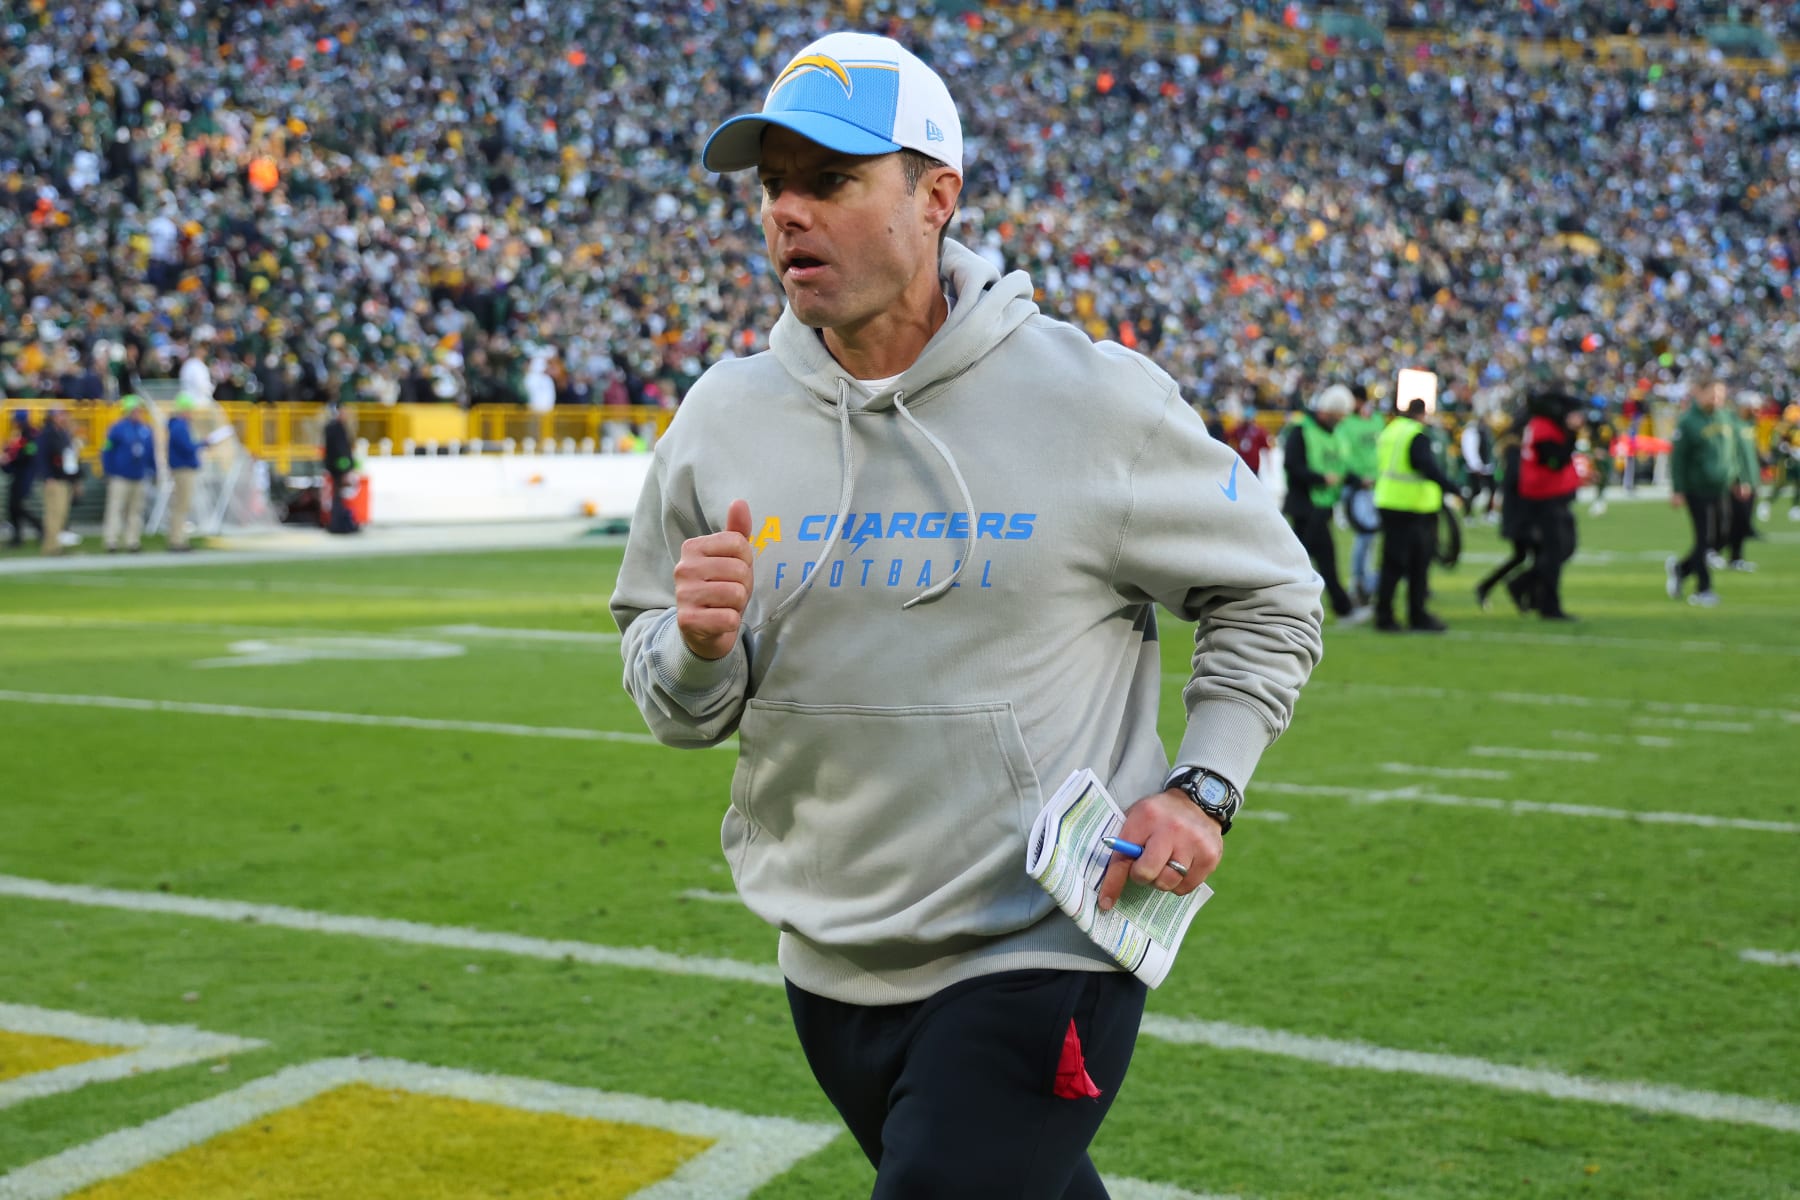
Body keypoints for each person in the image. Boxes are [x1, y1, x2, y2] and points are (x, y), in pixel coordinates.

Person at [609, 32, 1325, 1200]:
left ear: (937, 196)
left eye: (830, 181)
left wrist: (1207, 784)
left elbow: (1272, 590)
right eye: (772, 185)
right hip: (830, 955)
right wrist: (695, 649)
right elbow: (675, 702)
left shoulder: (1093, 400)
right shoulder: (723, 416)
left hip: (1043, 942)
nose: (789, 211)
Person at [1283, 385, 1368, 625]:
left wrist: (1359, 481)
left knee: (1306, 562)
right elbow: (1293, 465)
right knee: (1315, 562)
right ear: (1328, 412)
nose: (1340, 422)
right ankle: (1343, 609)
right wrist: (1320, 478)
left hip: (1322, 507)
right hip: (1306, 507)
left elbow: (1340, 468)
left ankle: (1337, 608)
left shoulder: (1334, 434)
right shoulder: (1300, 431)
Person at [1373, 397, 1457, 632]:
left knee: (1392, 563)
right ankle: (1415, 615)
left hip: (1389, 501)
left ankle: (1385, 612)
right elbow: (1425, 465)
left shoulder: (1392, 430)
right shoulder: (1416, 434)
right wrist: (1451, 487)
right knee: (1417, 565)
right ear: (1423, 413)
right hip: (1411, 507)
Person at [1515, 390, 1583, 621]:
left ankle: (1527, 586)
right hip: (1546, 496)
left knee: (1561, 548)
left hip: (1549, 495)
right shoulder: (1544, 427)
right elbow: (1555, 461)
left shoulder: (1540, 425)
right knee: (1555, 551)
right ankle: (1547, 604)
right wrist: (1572, 434)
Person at [1666, 378, 1730, 607]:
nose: (1717, 399)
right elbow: (1678, 460)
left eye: (1721, 395)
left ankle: (1681, 569)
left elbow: (1729, 453)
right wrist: (1678, 490)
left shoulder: (1723, 417)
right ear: (1699, 393)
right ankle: (1703, 589)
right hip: (1697, 489)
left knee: (1722, 536)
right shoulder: (1688, 422)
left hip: (1721, 487)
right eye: (1713, 394)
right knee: (1703, 538)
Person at [1473, 409, 1536, 612]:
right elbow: (1514, 480)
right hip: (1519, 512)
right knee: (1538, 554)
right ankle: (1520, 590)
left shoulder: (1515, 449)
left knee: (1522, 556)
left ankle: (1488, 587)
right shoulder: (1514, 450)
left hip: (1517, 511)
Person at [1335, 387, 1383, 606]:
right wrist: (1358, 478)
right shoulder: (1346, 424)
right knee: (1364, 537)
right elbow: (1344, 454)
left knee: (1370, 538)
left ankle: (1366, 582)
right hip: (1357, 487)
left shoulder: (1377, 421)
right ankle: (1358, 583)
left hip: (1375, 486)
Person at [100, 395, 157, 552]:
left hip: (139, 475)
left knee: (135, 510)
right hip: (120, 476)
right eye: (136, 410)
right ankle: (111, 540)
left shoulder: (146, 429)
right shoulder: (117, 428)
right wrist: (109, 470)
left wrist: (153, 470)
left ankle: (132, 541)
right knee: (115, 508)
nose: (139, 413)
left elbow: (151, 452)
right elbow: (107, 451)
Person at [1719, 391, 1761, 572]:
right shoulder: (1733, 425)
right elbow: (1734, 456)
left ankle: (1736, 557)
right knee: (1737, 521)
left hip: (1752, 481)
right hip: (1740, 483)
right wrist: (1739, 480)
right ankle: (1712, 551)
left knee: (1744, 522)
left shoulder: (1748, 425)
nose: (1757, 411)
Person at [164, 394, 206, 551]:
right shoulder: (180, 426)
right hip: (183, 469)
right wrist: (202, 443)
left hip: (182, 468)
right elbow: (187, 447)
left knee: (181, 505)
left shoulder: (178, 426)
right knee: (181, 505)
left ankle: (179, 538)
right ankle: (177, 540)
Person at [37, 407, 80, 556]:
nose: (63, 417)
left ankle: (55, 545)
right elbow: (41, 457)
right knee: (53, 514)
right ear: (52, 417)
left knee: (61, 514)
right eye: (60, 415)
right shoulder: (47, 434)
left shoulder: (63, 433)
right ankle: (50, 547)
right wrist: (47, 476)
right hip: (54, 479)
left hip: (64, 478)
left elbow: (69, 458)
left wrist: (74, 479)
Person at [3, 409, 42, 548]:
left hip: (26, 474)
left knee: (16, 506)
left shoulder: (31, 434)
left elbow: (28, 454)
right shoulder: (21, 434)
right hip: (20, 473)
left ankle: (38, 528)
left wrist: (10, 459)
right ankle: (20, 536)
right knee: (14, 507)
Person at [321, 401, 358, 533]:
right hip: (338, 468)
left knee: (338, 496)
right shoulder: (337, 428)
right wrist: (346, 470)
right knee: (338, 496)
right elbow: (341, 451)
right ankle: (338, 524)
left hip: (334, 467)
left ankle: (339, 523)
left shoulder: (330, 428)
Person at [1218, 395, 1273, 479]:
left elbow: (1266, 448)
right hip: (1241, 463)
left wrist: (1269, 465)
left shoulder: (1259, 430)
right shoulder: (1239, 429)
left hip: (1254, 465)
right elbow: (1227, 436)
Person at [1460, 411, 1496, 521]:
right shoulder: (1472, 431)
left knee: (1492, 489)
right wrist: (1476, 466)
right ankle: (1467, 514)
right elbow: (1470, 450)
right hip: (1476, 467)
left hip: (1486, 467)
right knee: (1476, 491)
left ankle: (1488, 513)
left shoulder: (1486, 431)